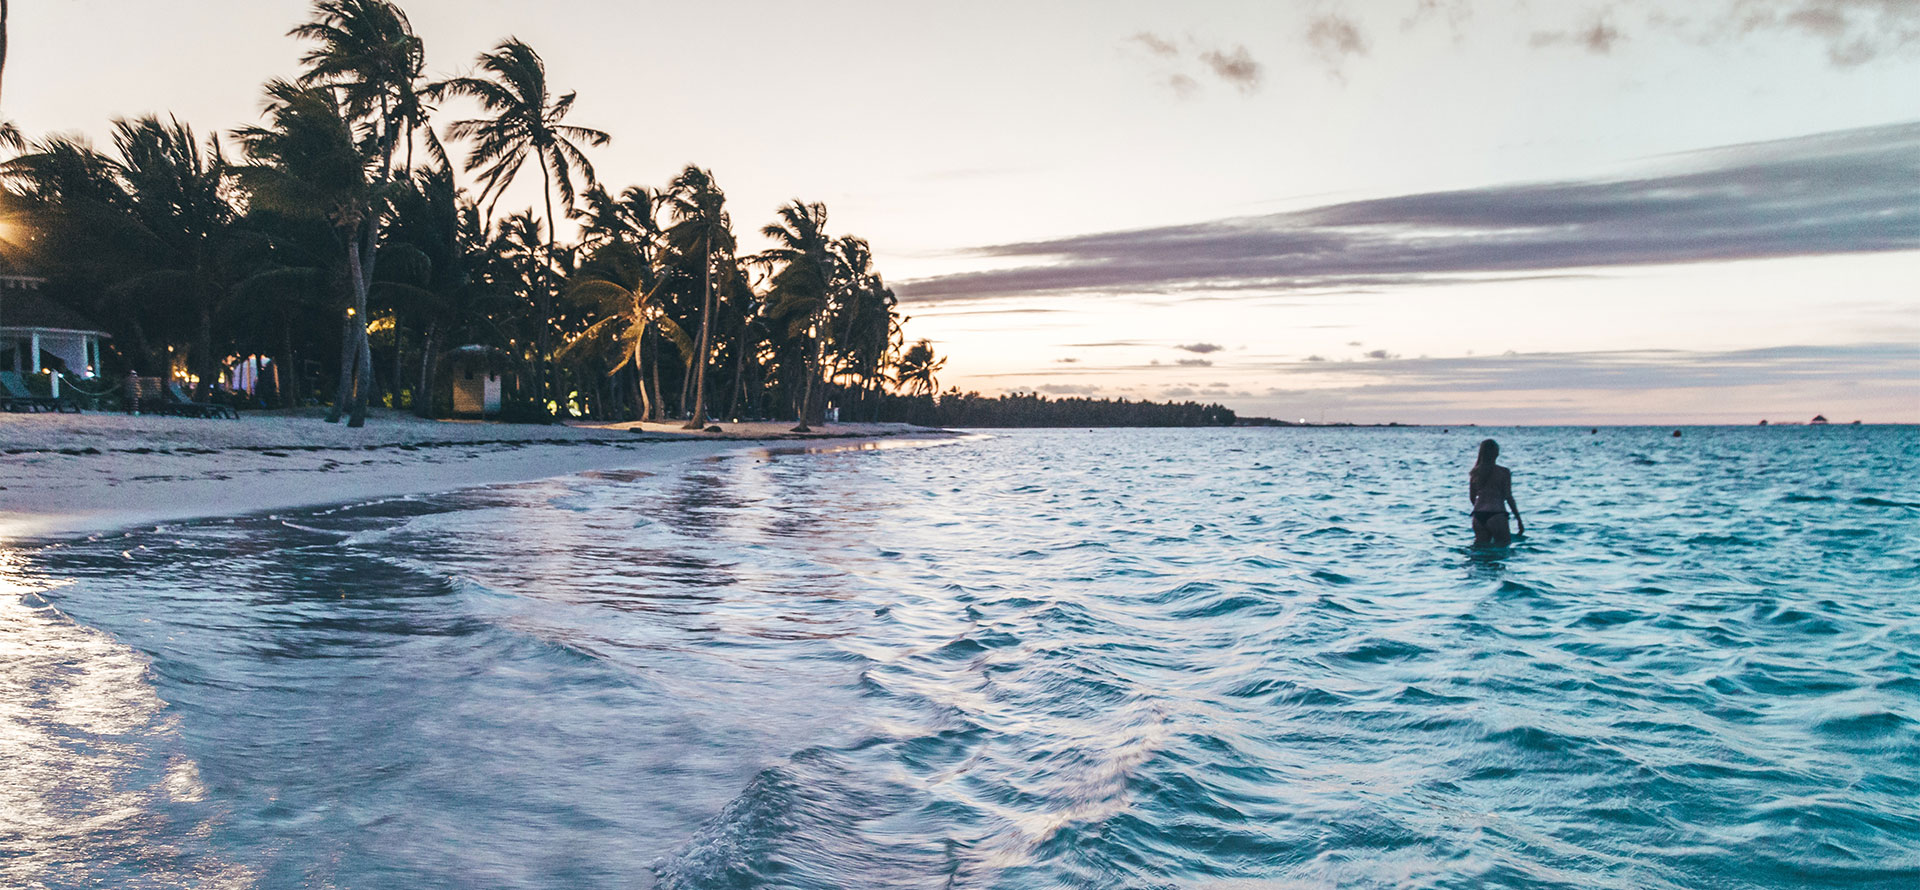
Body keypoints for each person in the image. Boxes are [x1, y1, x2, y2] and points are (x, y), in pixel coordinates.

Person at [1469, 438, 1522, 546]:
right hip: (1496, 514)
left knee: (1480, 554)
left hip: (1478, 516)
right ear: (1496, 453)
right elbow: (1508, 497)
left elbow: (1472, 497)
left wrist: (1481, 508)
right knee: (1503, 549)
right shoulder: (1503, 472)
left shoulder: (1475, 472)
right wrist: (1518, 519)